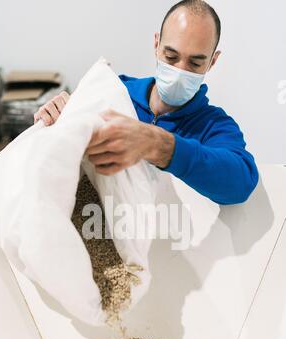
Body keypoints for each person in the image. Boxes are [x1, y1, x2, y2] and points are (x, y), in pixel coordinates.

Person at [34, 0, 259, 205]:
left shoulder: (213, 125)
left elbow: (240, 183)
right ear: (156, 44)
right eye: (171, 56)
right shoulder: (113, 91)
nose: (180, 71)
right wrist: (54, 116)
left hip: (164, 245)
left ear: (212, 61)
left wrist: (160, 146)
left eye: (195, 63)